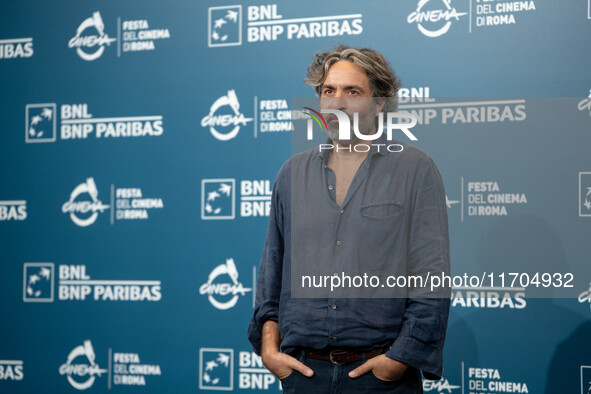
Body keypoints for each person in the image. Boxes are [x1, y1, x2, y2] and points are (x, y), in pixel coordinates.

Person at [248, 45, 450, 393]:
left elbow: (432, 278)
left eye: (352, 92)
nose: (338, 102)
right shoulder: (291, 174)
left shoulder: (414, 169)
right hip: (303, 374)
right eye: (329, 91)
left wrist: (397, 360)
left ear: (379, 102)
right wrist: (269, 348)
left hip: (381, 377)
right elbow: (272, 272)